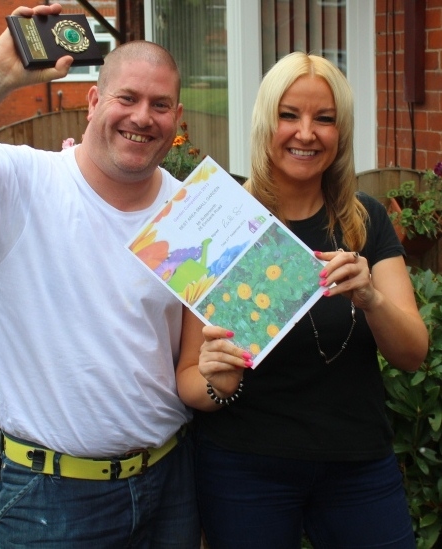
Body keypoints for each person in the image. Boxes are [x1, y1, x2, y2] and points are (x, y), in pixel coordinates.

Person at [0, 4, 200, 547]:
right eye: (126, 98)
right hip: (53, 499)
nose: (142, 117)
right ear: (93, 101)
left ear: (177, 117)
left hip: (169, 483)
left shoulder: (189, 214)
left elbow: (199, 355)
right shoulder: (21, 184)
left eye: (160, 105)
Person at [176, 52, 429, 548]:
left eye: (325, 119)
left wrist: (371, 298)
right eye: (289, 115)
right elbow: (189, 377)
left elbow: (413, 352)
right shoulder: (222, 222)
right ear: (265, 121)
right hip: (244, 471)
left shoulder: (365, 220)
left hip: (358, 468)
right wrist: (219, 383)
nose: (306, 133)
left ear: (342, 132)